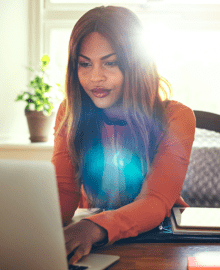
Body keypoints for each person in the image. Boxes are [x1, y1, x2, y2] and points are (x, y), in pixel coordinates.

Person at [51, 5, 196, 265]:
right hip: (92, 243)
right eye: (85, 64)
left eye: (111, 63)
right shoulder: (69, 113)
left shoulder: (177, 117)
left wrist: (93, 227)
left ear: (136, 65)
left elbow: (155, 201)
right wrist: (27, 223)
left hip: (158, 242)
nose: (96, 77)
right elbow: (63, 191)